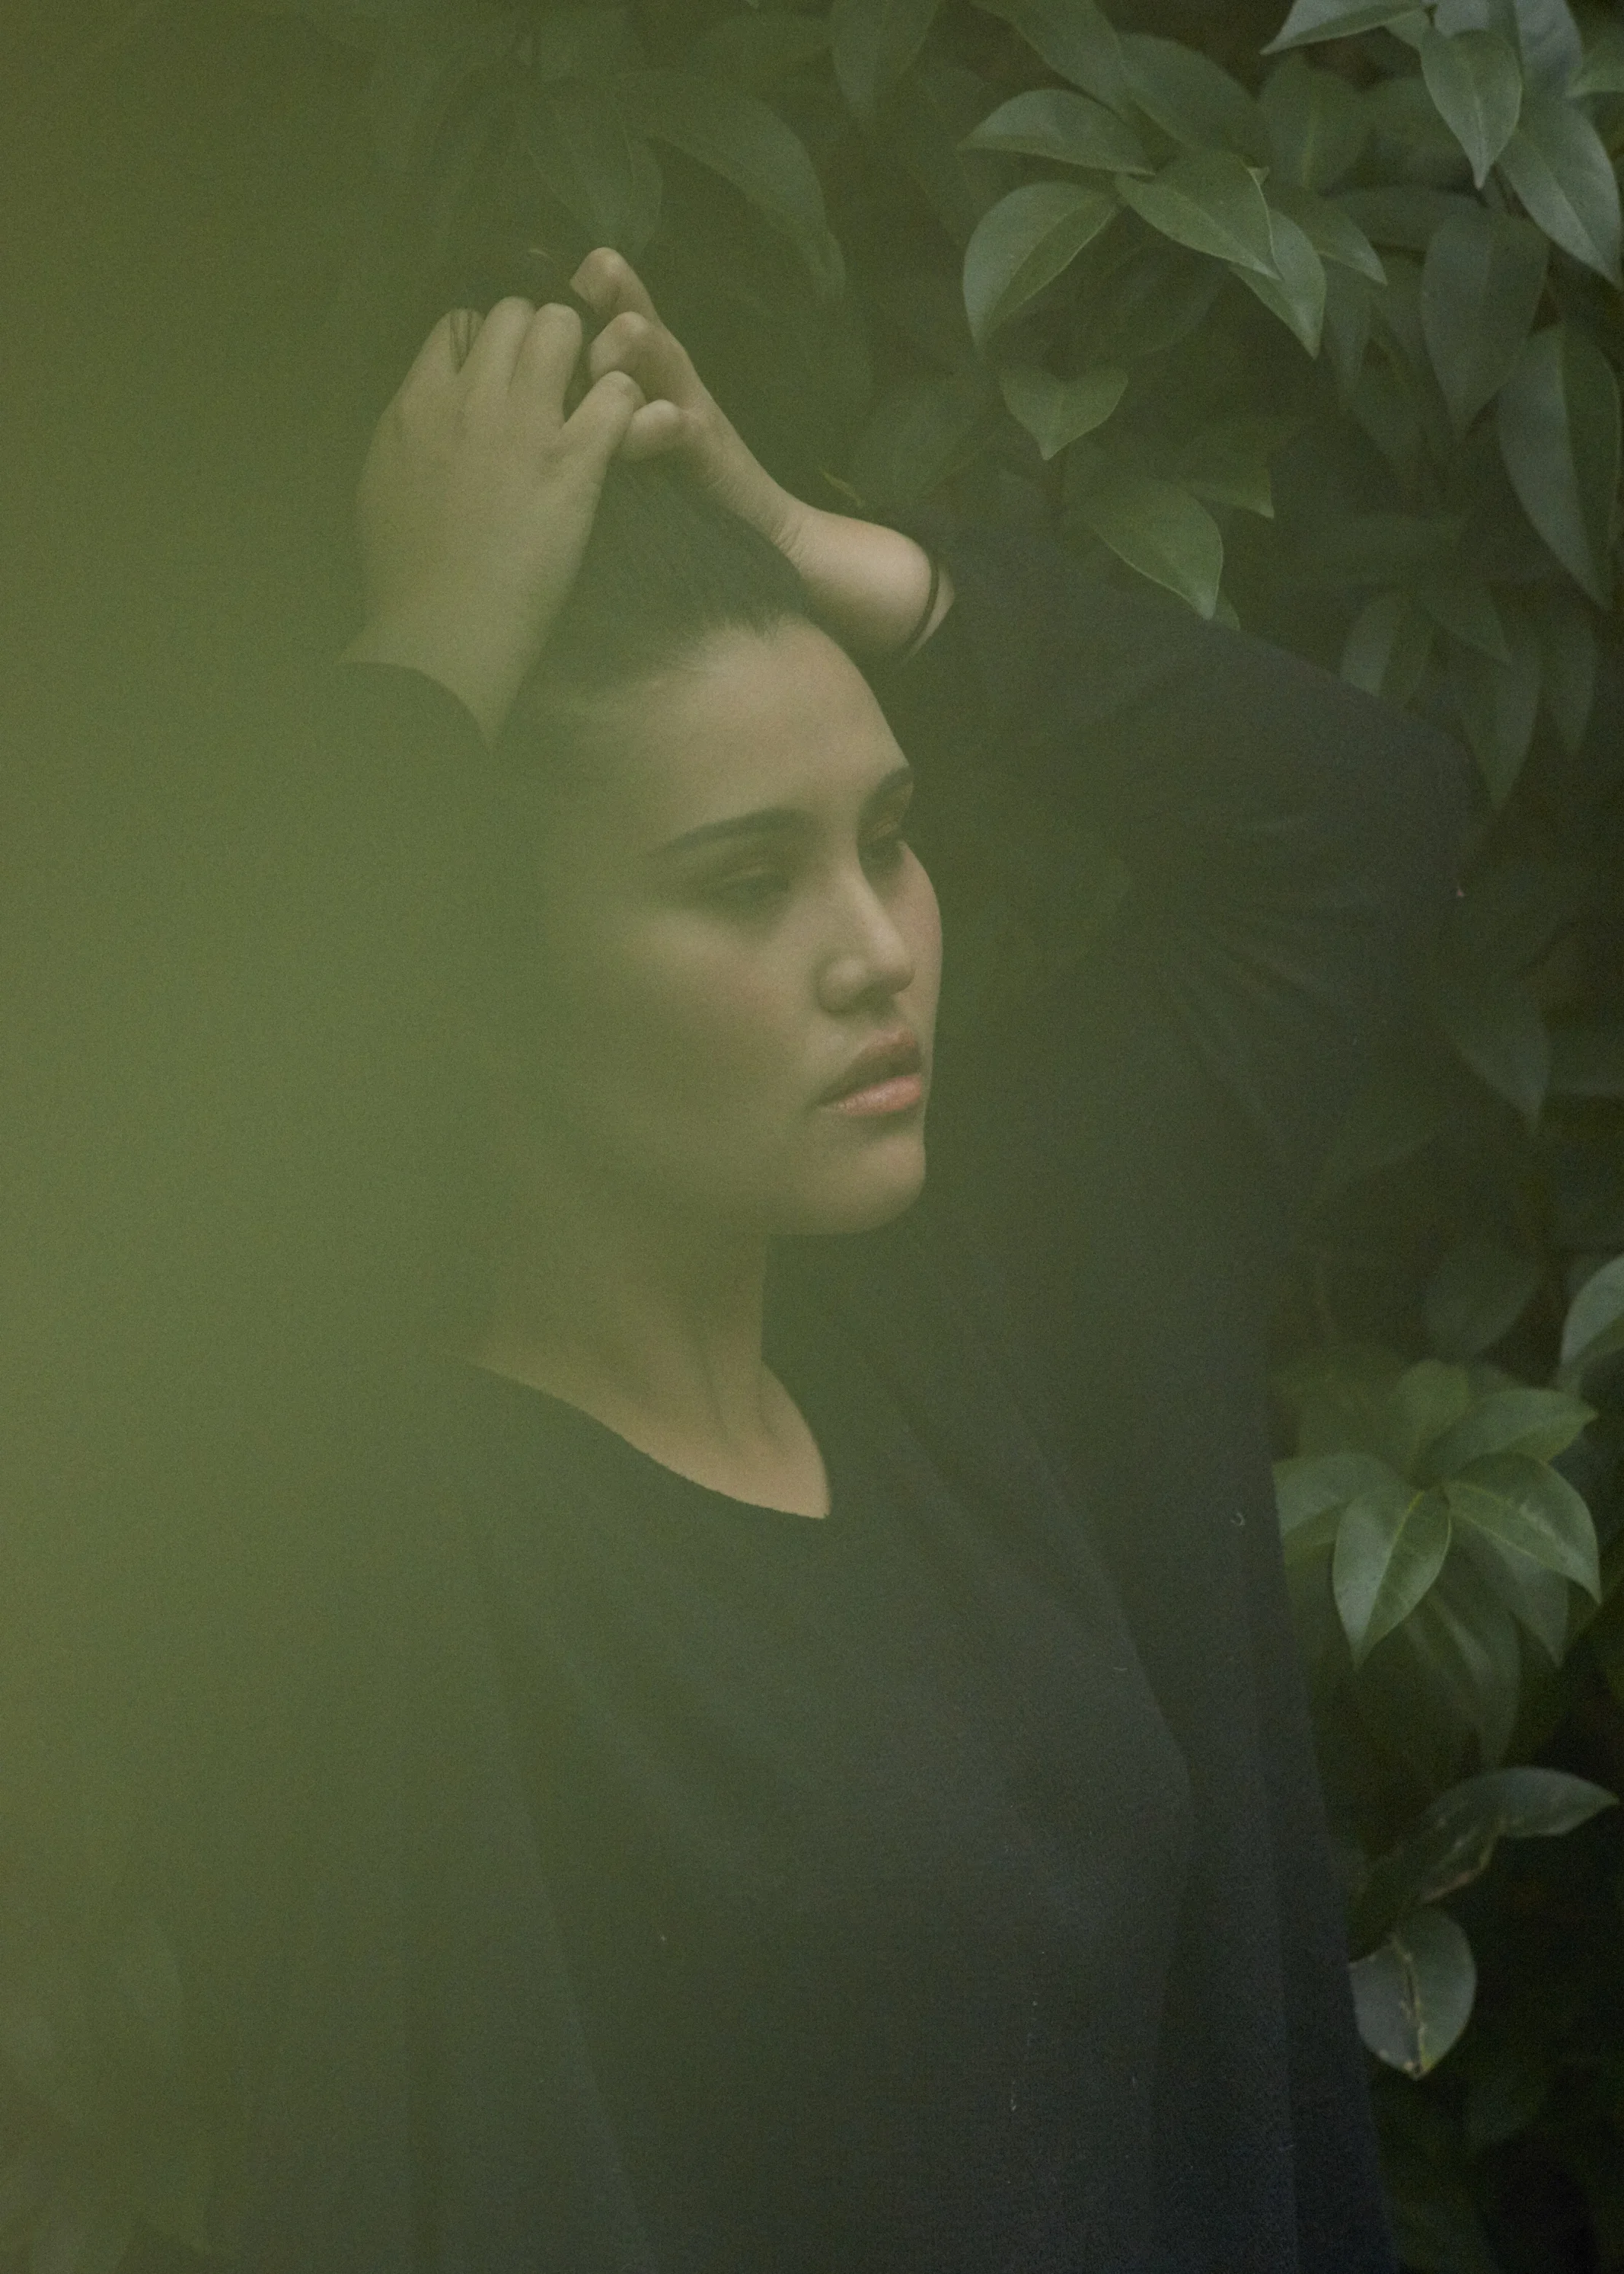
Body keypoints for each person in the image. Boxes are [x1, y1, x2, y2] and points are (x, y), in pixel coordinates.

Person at [70, 249, 1471, 2273]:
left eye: (888, 838)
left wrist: (825, 556)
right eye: (745, 880)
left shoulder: (1002, 1331)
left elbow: (1352, 821)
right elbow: (149, 1194)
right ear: (470, 982)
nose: (875, 950)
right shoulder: (337, 1524)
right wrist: (439, 645)